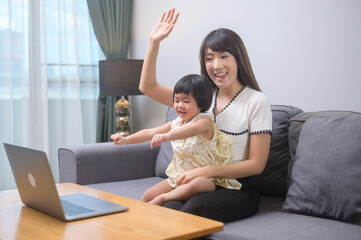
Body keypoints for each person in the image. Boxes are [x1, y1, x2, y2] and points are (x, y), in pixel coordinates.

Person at [138, 8, 272, 222]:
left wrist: (207, 171)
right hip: (197, 181)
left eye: (224, 56)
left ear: (238, 59)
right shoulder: (200, 97)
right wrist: (154, 43)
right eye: (209, 58)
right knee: (166, 207)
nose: (216, 65)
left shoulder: (256, 101)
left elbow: (256, 164)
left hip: (237, 187)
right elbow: (148, 86)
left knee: (192, 211)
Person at [111, 74, 241, 206]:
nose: (180, 105)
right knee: (148, 195)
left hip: (206, 178)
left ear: (201, 102)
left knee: (198, 183)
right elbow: (150, 132)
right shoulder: (176, 123)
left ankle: (164, 198)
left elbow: (192, 130)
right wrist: (125, 139)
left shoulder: (205, 121)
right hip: (179, 177)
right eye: (177, 100)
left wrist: (167, 136)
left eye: (186, 101)